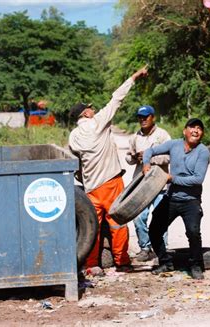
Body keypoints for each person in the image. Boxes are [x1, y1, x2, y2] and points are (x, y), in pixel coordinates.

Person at [69, 65, 148, 274]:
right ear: (86, 113)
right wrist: (133, 76)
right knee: (117, 223)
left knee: (91, 226)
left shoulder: (73, 137)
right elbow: (116, 99)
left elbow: (76, 160)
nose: (93, 109)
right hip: (111, 183)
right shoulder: (97, 123)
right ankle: (122, 261)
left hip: (90, 188)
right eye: (90, 108)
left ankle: (91, 264)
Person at [143, 118, 210, 280]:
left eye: (199, 129)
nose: (195, 131)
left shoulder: (203, 151)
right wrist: (146, 164)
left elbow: (197, 179)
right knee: (154, 230)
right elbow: (149, 151)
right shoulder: (174, 145)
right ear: (184, 131)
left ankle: (195, 266)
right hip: (171, 198)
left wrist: (171, 178)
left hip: (191, 200)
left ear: (202, 134)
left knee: (193, 233)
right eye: (192, 127)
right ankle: (165, 262)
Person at [125, 105, 171, 262]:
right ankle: (145, 248)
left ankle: (162, 250)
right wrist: (134, 157)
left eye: (146, 116)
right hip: (141, 185)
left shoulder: (163, 135)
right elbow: (128, 158)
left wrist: (149, 158)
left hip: (159, 183)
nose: (143, 120)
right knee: (139, 217)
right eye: (140, 117)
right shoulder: (134, 137)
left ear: (153, 117)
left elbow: (170, 157)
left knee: (160, 217)